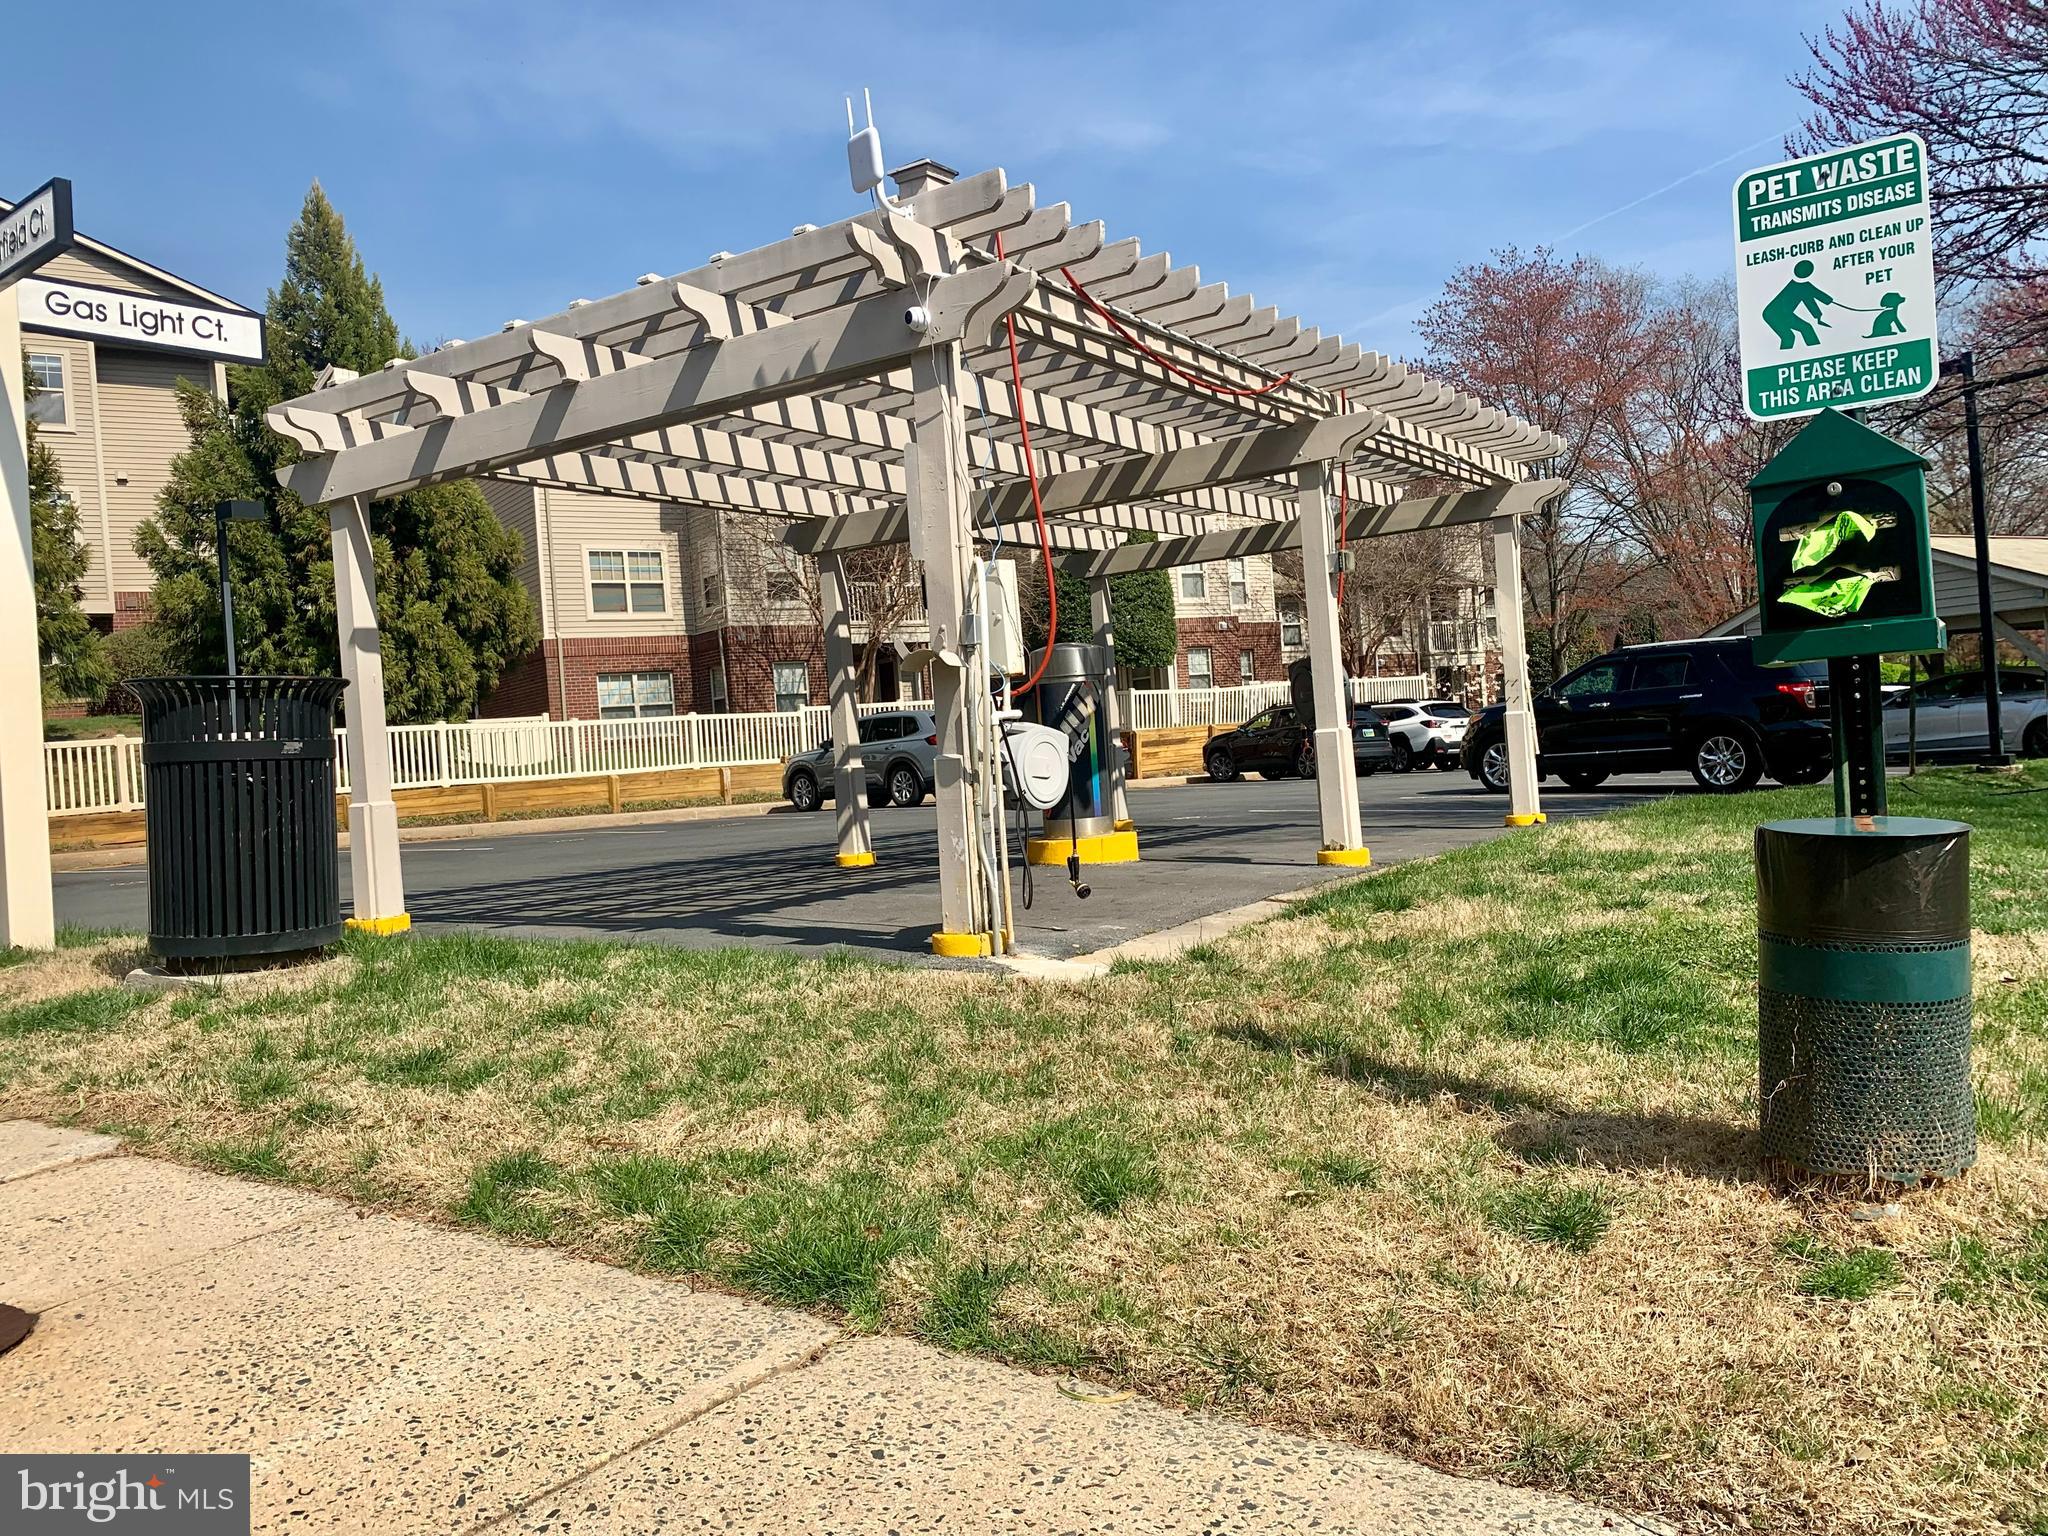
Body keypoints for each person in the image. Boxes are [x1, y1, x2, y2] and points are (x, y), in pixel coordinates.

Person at [1763, 260, 1835, 349]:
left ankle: (1815, 350)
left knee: (1804, 330)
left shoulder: (1803, 285)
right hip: (1773, 314)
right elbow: (1813, 299)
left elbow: (1812, 299)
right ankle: (1814, 350)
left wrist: (1819, 315)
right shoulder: (1802, 286)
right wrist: (1821, 311)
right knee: (1790, 336)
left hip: (1781, 313)